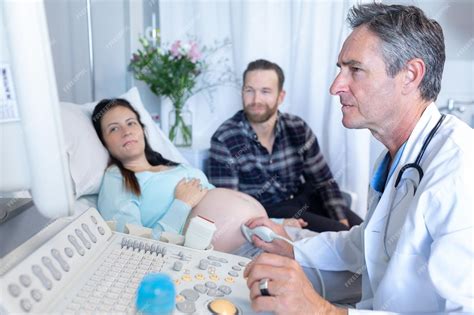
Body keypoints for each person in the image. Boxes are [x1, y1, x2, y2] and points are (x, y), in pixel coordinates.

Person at [244, 3, 473, 314]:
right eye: (340, 69)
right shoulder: (398, 155)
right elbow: (368, 241)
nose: (336, 86)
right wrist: (294, 249)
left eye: (355, 70)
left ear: (410, 75)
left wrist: (323, 311)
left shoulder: (459, 171)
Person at [91, 98, 308, 255]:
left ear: (142, 129)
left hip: (265, 234)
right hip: (236, 255)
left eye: (131, 123)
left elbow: (216, 201)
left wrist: (277, 222)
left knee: (337, 261)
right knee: (330, 278)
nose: (126, 131)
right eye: (113, 129)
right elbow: (133, 247)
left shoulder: (172, 167)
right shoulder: (116, 179)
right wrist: (181, 204)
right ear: (103, 142)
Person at [209, 59, 362, 232]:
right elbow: (228, 207)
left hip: (304, 200)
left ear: (280, 96)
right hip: (265, 211)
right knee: (345, 237)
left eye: (265, 91)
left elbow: (324, 181)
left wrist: (340, 218)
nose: (256, 99)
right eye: (249, 90)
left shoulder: (297, 128)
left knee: (366, 231)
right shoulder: (225, 139)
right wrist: (278, 222)